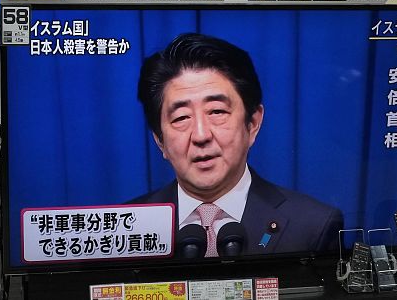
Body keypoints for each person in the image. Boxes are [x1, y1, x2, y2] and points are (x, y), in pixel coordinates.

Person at [131, 33, 342, 257]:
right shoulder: (128, 227)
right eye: (182, 117)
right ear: (159, 140)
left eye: (217, 111)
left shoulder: (313, 226)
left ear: (252, 123)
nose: (201, 135)